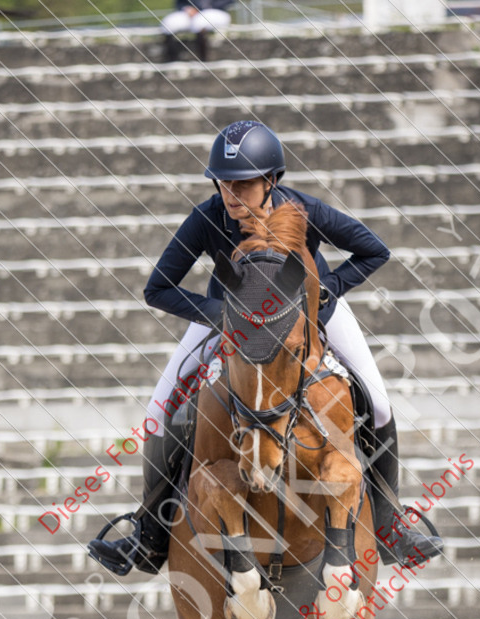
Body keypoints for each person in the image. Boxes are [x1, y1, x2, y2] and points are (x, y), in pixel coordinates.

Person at [89, 120, 443, 577]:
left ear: (271, 180)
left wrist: (326, 292)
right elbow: (157, 288)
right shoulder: (206, 217)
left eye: (243, 184)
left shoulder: (304, 209)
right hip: (229, 319)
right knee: (160, 408)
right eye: (224, 184)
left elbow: (374, 251)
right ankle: (150, 534)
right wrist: (223, 314)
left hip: (309, 316)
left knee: (376, 401)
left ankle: (391, 525)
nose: (231, 195)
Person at [161, 0, 233, 61]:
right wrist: (188, 8)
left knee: (199, 22)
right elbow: (180, 2)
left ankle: (204, 60)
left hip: (215, 10)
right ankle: (172, 60)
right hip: (191, 12)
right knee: (168, 23)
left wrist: (203, 8)